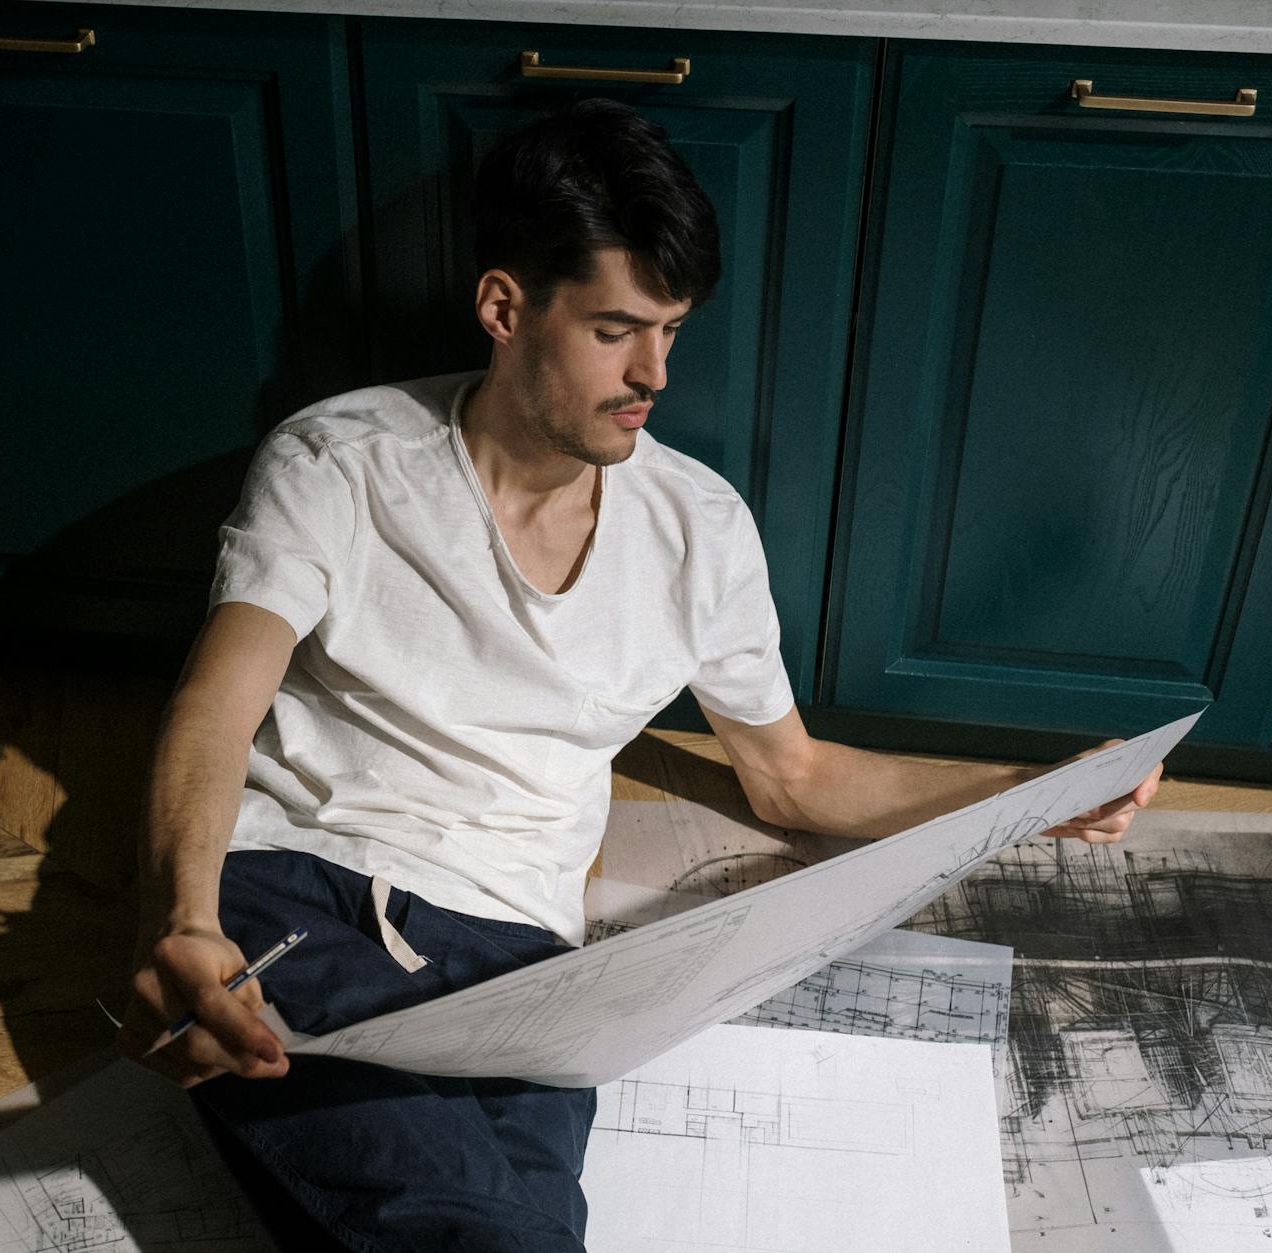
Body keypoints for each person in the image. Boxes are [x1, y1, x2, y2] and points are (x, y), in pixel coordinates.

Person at [114, 98, 1161, 1252]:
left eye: (669, 329)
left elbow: (791, 775)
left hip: (523, 967)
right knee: (464, 1228)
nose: (651, 372)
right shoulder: (340, 460)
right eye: (614, 329)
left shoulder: (697, 528)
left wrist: (1033, 792)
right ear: (504, 307)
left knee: (506, 1229)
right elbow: (214, 705)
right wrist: (184, 918)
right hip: (306, 890)